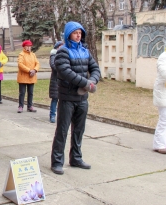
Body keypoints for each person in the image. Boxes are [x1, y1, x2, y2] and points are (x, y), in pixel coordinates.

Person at [51, 21, 101, 174]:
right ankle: (57, 162)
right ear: (68, 35)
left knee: (78, 130)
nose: (78, 35)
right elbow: (65, 72)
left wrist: (92, 81)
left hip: (82, 99)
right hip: (67, 98)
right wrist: (86, 83)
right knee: (62, 130)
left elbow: (95, 68)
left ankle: (76, 158)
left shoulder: (85, 51)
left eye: (80, 32)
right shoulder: (63, 52)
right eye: (75, 32)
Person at [17, 40, 40, 113]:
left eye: (30, 46)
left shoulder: (33, 55)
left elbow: (37, 63)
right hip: (23, 77)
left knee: (31, 92)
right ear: (24, 47)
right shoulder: (21, 54)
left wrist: (35, 70)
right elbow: (20, 64)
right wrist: (29, 70)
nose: (29, 47)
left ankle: (30, 106)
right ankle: (20, 106)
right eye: (27, 46)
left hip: (31, 76)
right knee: (22, 93)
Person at [49, 41, 64, 123]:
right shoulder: (53, 55)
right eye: (61, 46)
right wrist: (63, 69)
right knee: (55, 98)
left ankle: (61, 116)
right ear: (57, 47)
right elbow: (53, 65)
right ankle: (52, 115)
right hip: (55, 80)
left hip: (63, 80)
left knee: (63, 100)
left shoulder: (64, 55)